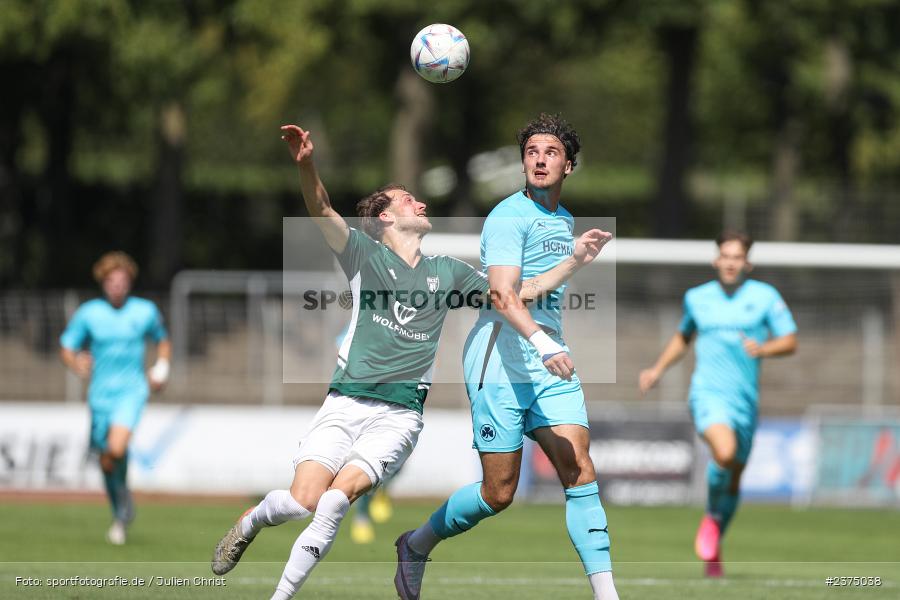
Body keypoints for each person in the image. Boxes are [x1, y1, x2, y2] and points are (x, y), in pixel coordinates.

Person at [210, 124, 605, 600]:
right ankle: (252, 520)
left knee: (335, 502)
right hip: (346, 402)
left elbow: (514, 293)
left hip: (399, 413)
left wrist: (574, 262)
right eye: (407, 199)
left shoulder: (449, 271)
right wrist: (306, 163)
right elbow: (320, 209)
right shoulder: (363, 254)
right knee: (302, 502)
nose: (420, 203)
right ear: (382, 218)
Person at [395, 113, 618, 600]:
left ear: (569, 166)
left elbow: (538, 286)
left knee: (578, 466)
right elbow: (502, 295)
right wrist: (543, 342)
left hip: (548, 358)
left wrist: (575, 258)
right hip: (500, 357)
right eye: (532, 151)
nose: (540, 159)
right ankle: (415, 545)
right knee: (498, 493)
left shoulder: (562, 219)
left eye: (551, 152)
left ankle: (607, 594)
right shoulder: (507, 216)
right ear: (523, 162)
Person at [638, 231, 798, 577]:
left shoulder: (765, 297)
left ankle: (715, 547)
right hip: (707, 394)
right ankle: (711, 517)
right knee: (724, 453)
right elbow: (684, 336)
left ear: (747, 263)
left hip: (745, 403)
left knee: (735, 479)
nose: (730, 262)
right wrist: (656, 369)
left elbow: (789, 340)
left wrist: (764, 349)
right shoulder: (697, 298)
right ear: (716, 260)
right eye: (725, 255)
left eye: (737, 257)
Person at [59, 251, 170, 545]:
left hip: (132, 391)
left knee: (117, 448)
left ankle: (121, 507)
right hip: (100, 396)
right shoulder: (89, 313)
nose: (117, 286)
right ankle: (120, 504)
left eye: (122, 280)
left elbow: (162, 340)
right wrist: (75, 362)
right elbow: (67, 347)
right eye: (112, 281)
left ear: (129, 282)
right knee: (107, 459)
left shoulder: (144, 311)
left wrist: (161, 368)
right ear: (103, 283)